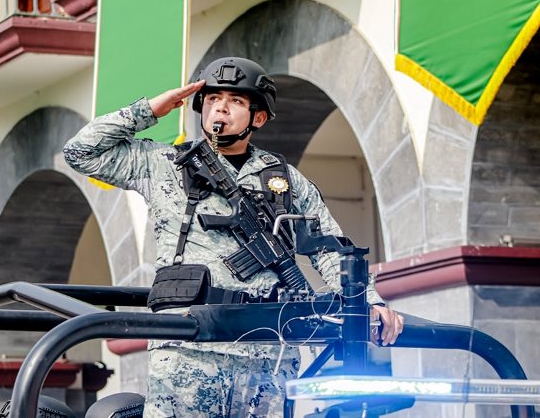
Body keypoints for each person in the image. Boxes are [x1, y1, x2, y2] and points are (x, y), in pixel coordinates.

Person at [63, 57, 404, 417]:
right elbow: (80, 152)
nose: (220, 107)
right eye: (212, 98)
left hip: (267, 353)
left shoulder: (284, 180)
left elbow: (330, 247)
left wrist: (368, 301)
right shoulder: (164, 163)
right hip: (189, 346)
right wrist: (150, 109)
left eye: (236, 101)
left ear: (258, 117)